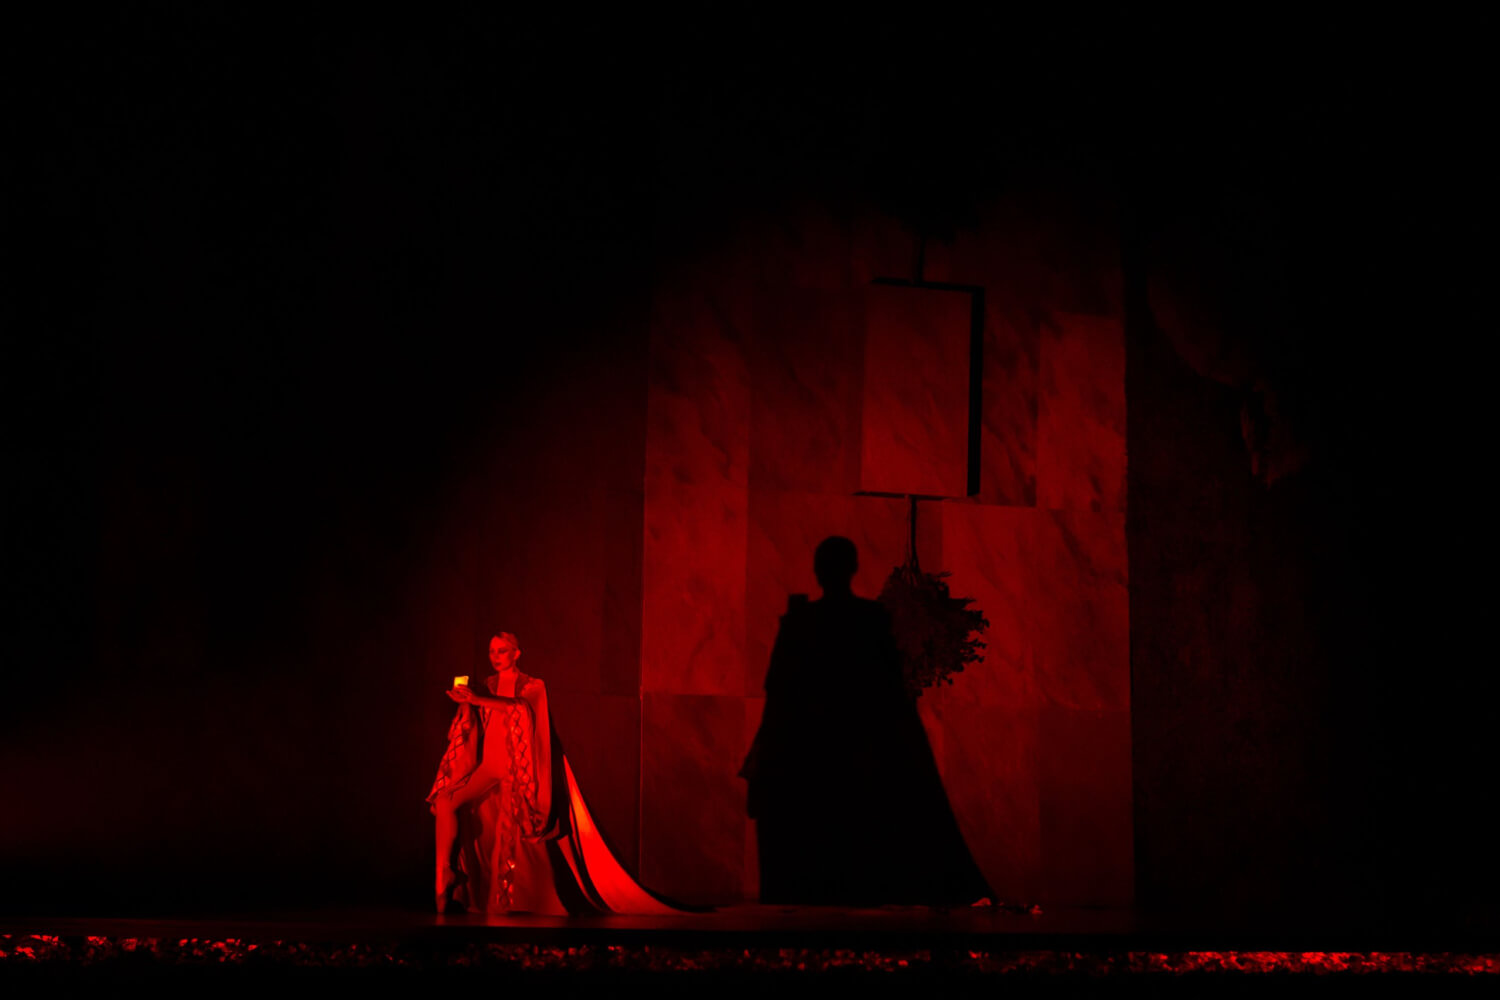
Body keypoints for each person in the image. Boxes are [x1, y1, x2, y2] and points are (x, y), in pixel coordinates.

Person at [740, 537, 990, 906]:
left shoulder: (814, 622)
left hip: (823, 757)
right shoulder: (861, 621)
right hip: (851, 756)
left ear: (819, 571)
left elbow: (781, 697)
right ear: (852, 569)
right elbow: (888, 694)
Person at [428, 632, 681, 914]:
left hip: (515, 771)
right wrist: (466, 703)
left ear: (516, 653)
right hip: (488, 767)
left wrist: (478, 700)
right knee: (445, 800)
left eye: (502, 651)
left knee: (506, 842)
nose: (495, 657)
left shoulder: (533, 685)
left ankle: (501, 904)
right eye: (492, 651)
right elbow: (478, 720)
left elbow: (521, 710)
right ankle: (445, 871)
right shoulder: (488, 685)